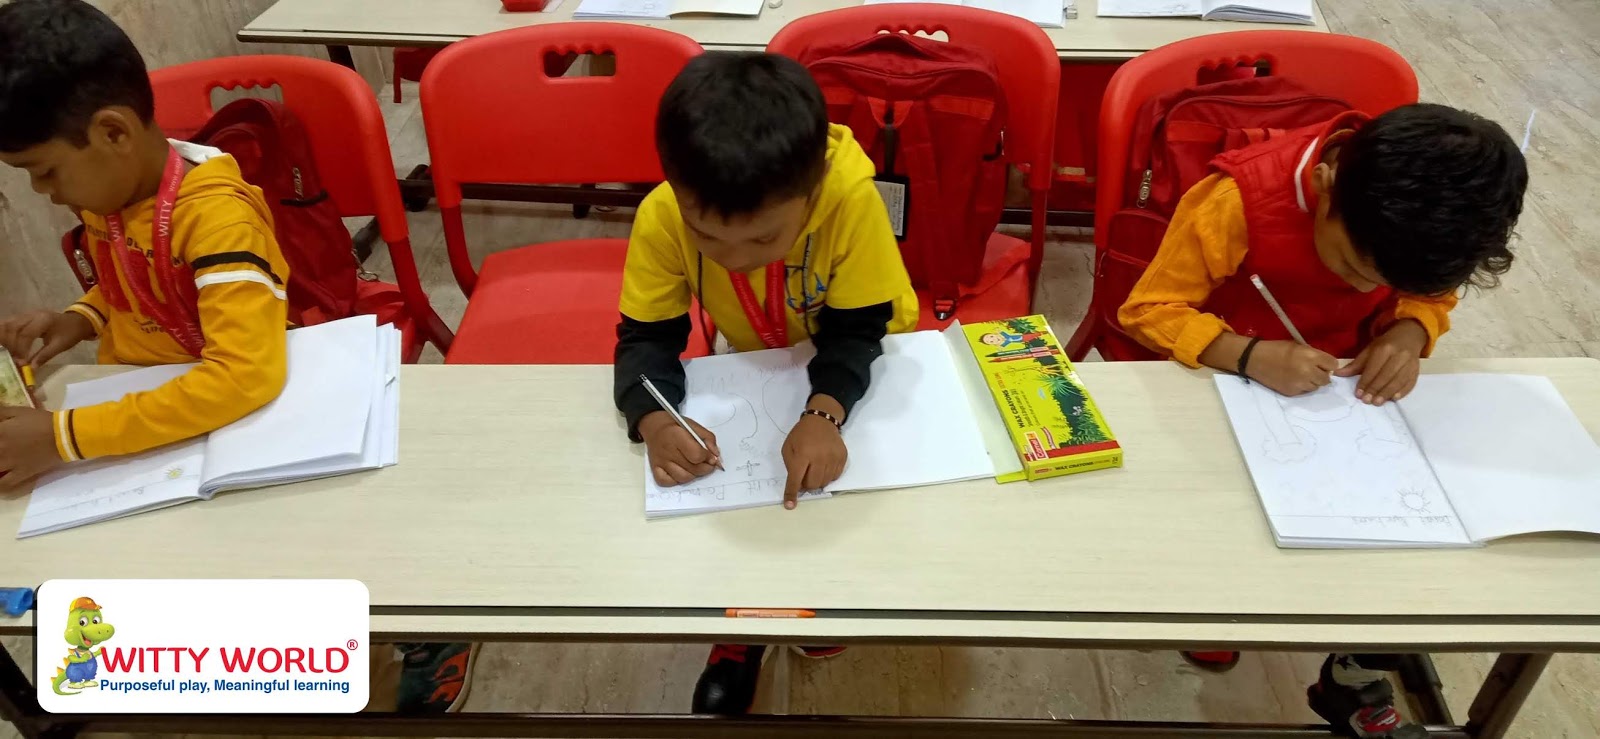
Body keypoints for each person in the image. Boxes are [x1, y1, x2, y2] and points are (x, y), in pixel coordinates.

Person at [0, 0, 474, 713]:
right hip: (160, 410)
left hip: (242, 419)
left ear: (113, 133)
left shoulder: (215, 216)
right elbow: (134, 279)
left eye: (43, 172)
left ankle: (404, 643)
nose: (43, 194)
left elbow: (244, 376)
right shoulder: (111, 195)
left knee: (306, 559)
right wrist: (78, 317)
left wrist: (65, 437)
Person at [1118, 103, 1528, 739]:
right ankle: (1224, 605)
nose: (1362, 286)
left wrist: (1410, 328)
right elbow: (1148, 309)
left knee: (1396, 526)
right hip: (1227, 382)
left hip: (1344, 392)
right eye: (1356, 269)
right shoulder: (1235, 202)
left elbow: (1431, 292)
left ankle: (1351, 661)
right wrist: (1247, 354)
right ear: (1325, 185)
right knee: (1230, 519)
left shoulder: (1423, 228)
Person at [613, 51, 916, 714]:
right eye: (708, 237)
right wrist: (653, 417)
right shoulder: (663, 215)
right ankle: (742, 630)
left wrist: (826, 411)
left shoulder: (851, 201)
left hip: (853, 362)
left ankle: (818, 599)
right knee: (748, 505)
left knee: (838, 500)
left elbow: (858, 329)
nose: (733, 260)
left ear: (814, 186)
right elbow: (645, 338)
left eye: (762, 240)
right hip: (753, 361)